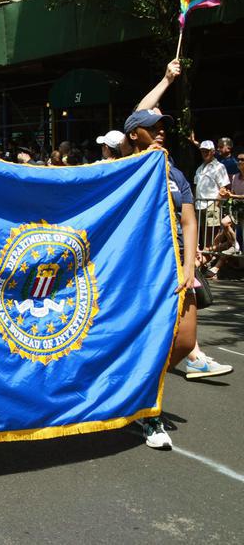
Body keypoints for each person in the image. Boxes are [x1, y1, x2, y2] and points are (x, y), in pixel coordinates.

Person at [123, 109, 203, 448]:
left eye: (162, 128)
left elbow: (189, 221)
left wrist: (189, 266)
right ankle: (148, 412)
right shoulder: (125, 166)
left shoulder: (176, 173)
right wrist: (167, 81)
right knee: (141, 338)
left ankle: (137, 386)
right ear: (133, 135)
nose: (160, 132)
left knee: (184, 341)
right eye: (151, 127)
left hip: (175, 264)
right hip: (139, 267)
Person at [194, 140, 230, 246]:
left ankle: (213, 252)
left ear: (213, 151)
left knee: (213, 231)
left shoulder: (219, 167)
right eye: (202, 151)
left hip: (212, 203)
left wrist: (215, 204)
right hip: (199, 204)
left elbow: (223, 188)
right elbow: (196, 186)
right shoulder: (199, 168)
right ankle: (206, 252)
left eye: (207, 151)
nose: (204, 153)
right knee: (203, 231)